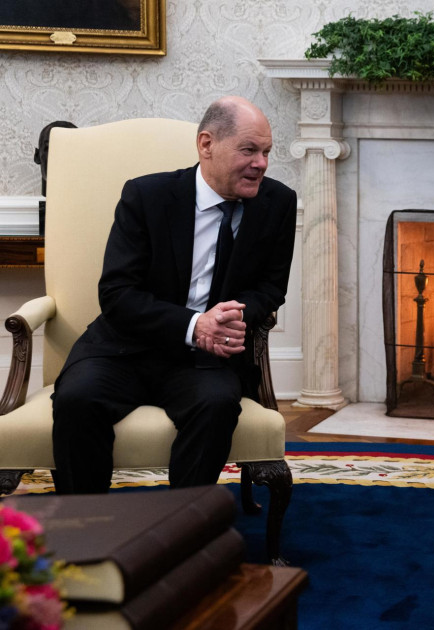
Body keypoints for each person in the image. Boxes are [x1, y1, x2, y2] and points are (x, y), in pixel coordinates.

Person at [51, 96, 297, 494]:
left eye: (266, 152)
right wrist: (195, 324)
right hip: (125, 347)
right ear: (206, 145)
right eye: (249, 150)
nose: (262, 164)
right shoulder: (147, 196)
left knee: (216, 406)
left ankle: (182, 525)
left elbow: (271, 287)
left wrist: (232, 317)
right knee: (78, 400)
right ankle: (87, 524)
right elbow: (116, 292)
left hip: (207, 359)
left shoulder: (278, 202)